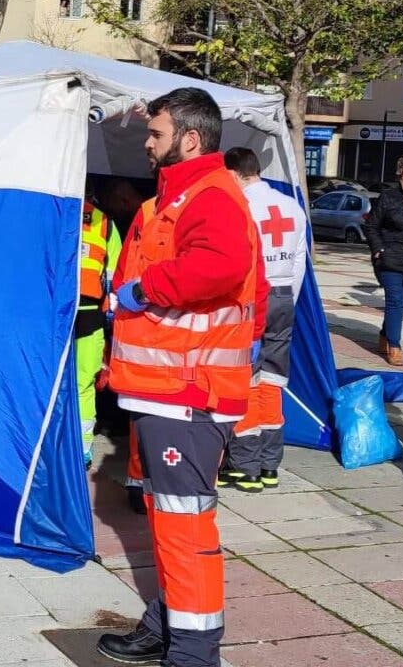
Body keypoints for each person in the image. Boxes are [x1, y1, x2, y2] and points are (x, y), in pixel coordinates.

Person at [97, 88, 260, 667]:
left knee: (185, 528)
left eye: (156, 134)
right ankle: (164, 624)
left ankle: (193, 651)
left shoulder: (208, 196)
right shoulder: (173, 200)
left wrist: (144, 292)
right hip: (164, 390)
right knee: (170, 524)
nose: (147, 143)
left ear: (190, 139)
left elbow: (219, 268)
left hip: (188, 394)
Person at [219, 147, 308, 493]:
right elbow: (300, 260)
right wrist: (287, 300)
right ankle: (270, 464)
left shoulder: (240, 207)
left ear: (235, 173)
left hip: (252, 296)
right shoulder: (291, 207)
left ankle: (245, 466)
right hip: (285, 294)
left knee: (246, 379)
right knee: (273, 379)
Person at [365, 155, 403, 367]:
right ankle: (394, 346)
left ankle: (384, 334)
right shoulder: (388, 197)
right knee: (396, 301)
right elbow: (371, 226)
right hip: (390, 260)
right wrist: (378, 249)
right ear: (400, 177)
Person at [77, 178, 116, 468]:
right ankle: (82, 449)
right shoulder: (105, 223)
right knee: (84, 383)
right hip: (90, 312)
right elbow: (117, 274)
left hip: (55, 315)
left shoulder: (52, 213)